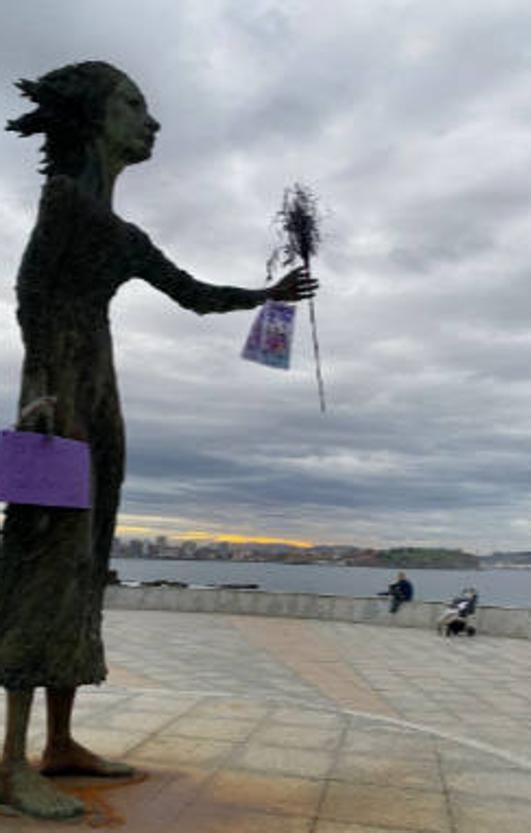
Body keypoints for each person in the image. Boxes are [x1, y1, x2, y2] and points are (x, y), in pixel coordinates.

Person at [0, 61, 317, 820]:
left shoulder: (117, 230)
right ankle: (10, 763)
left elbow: (194, 294)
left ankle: (63, 742)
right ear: (92, 117)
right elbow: (30, 296)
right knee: (42, 570)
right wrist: (41, 387)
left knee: (85, 567)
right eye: (134, 106)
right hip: (55, 407)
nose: (152, 121)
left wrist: (267, 296)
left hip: (98, 402)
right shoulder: (65, 205)